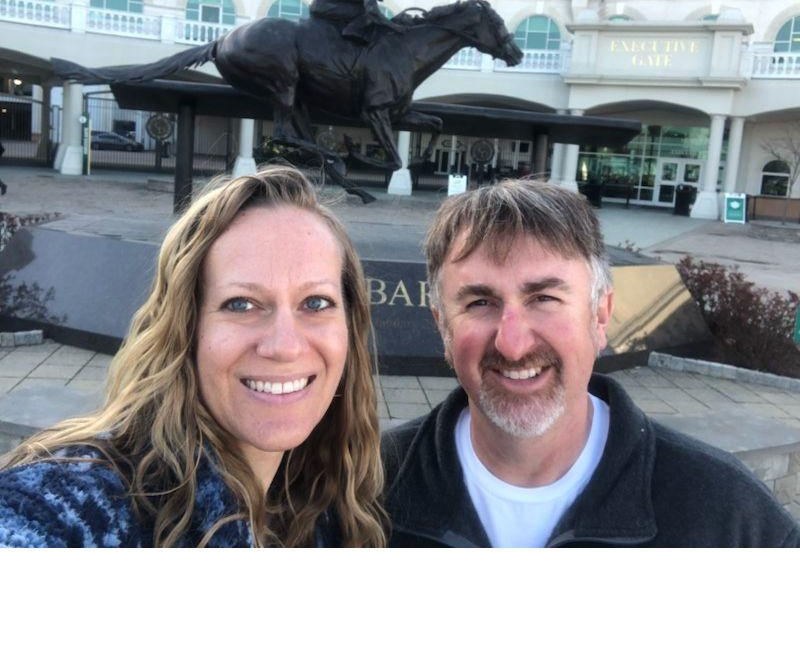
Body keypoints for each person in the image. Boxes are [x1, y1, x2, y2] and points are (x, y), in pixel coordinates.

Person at [381, 179, 800, 547]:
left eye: (544, 299)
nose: (512, 344)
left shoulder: (728, 515)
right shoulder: (360, 496)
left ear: (600, 316)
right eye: (480, 302)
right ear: (443, 326)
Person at [0, 165, 386, 547]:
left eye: (316, 302)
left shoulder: (333, 503)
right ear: (187, 328)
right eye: (242, 304)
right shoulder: (83, 501)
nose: (284, 346)